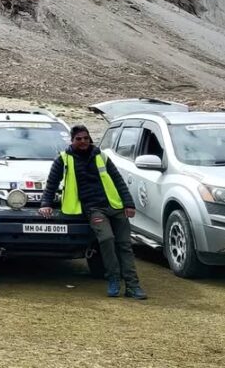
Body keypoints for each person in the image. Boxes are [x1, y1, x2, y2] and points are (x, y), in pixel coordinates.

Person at [39, 124, 147, 299]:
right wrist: (46, 203)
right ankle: (112, 279)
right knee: (106, 239)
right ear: (72, 140)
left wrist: (129, 204)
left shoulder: (101, 156)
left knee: (125, 245)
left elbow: (118, 180)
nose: (83, 142)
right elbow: (52, 183)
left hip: (115, 206)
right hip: (93, 209)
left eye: (86, 138)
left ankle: (132, 286)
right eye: (79, 139)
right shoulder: (63, 159)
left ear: (90, 139)